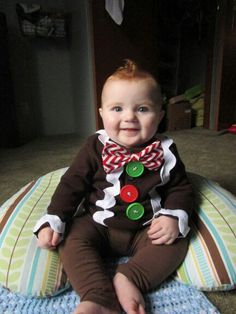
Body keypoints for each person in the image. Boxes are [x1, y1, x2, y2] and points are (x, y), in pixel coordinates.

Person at [34, 60, 193, 314]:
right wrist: (54, 218)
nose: (129, 117)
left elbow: (181, 188)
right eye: (117, 108)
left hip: (146, 229)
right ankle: (98, 296)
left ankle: (130, 278)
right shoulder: (95, 146)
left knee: (176, 241)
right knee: (71, 239)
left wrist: (174, 216)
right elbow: (72, 184)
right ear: (102, 114)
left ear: (160, 116)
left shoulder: (165, 150)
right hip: (98, 223)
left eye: (142, 109)